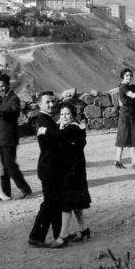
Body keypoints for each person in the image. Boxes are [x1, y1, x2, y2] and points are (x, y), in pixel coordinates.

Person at [51, 103, 92, 249]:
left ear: (73, 115)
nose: (64, 117)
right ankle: (83, 228)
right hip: (73, 170)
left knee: (66, 203)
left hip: (72, 171)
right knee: (75, 203)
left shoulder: (73, 128)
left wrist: (49, 129)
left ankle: (63, 236)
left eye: (67, 114)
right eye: (62, 114)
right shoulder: (72, 127)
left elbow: (58, 139)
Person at [28, 91, 62, 248]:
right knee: (50, 203)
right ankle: (36, 236)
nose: (51, 104)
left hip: (52, 167)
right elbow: (57, 138)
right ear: (40, 104)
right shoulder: (43, 120)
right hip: (50, 168)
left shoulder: (47, 119)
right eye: (47, 102)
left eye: (53, 101)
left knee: (55, 202)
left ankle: (59, 235)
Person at [0, 74, 32, 199]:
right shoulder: (2, 98)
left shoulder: (14, 98)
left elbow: (14, 112)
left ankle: (25, 188)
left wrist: (1, 111)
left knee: (10, 165)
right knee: (4, 166)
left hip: (9, 137)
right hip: (1, 137)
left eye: (3, 86)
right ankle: (5, 193)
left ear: (8, 84)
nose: (1, 88)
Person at [114, 68, 135, 169]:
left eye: (130, 75)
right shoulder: (123, 87)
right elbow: (132, 95)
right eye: (127, 75)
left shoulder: (128, 86)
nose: (129, 77)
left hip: (130, 114)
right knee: (123, 137)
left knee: (129, 137)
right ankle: (121, 161)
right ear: (123, 76)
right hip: (126, 114)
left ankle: (124, 161)